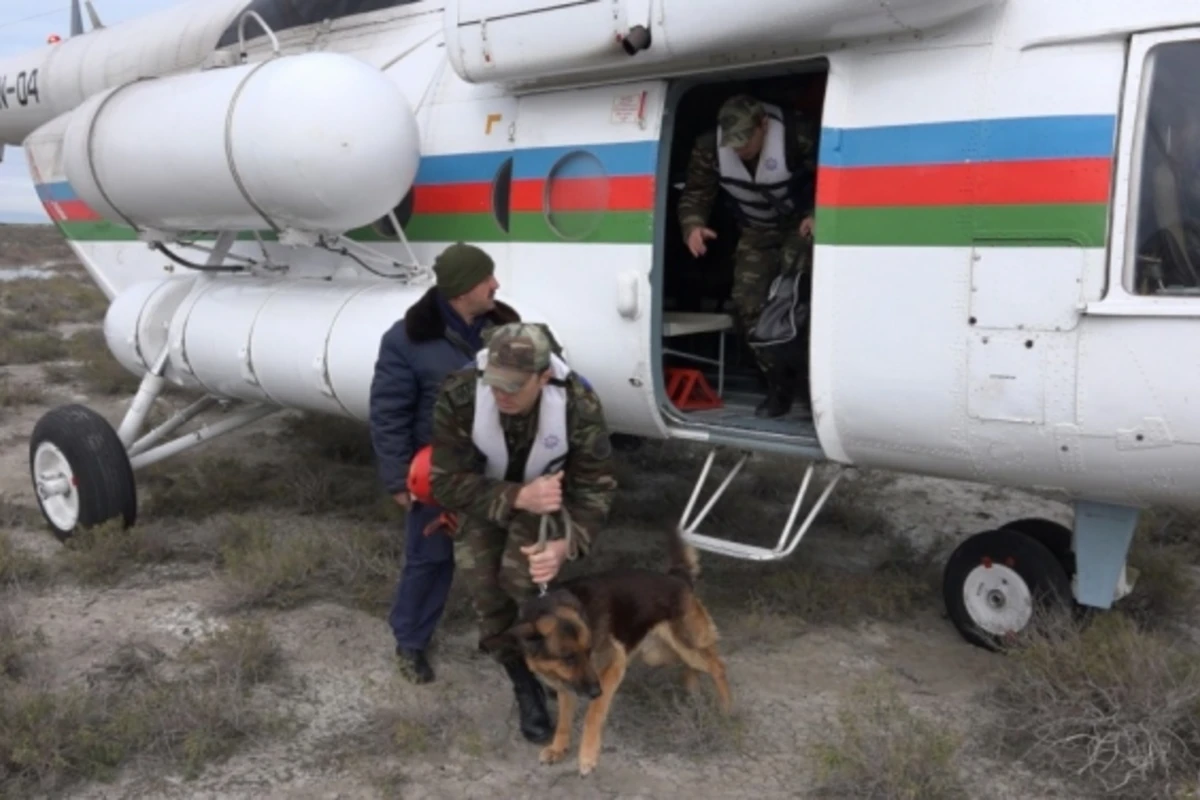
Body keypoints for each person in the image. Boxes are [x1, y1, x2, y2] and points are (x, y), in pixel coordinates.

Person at [427, 322, 617, 744]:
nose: (501, 395)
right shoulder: (461, 394)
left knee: (525, 579)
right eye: (494, 384)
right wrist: (516, 497)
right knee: (485, 588)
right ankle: (521, 677)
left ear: (543, 377)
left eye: (514, 386)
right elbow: (445, 480)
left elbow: (595, 489)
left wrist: (568, 543)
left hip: (550, 498)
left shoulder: (577, 404)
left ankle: (557, 658)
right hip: (486, 494)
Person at [368, 242, 521, 684]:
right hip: (438, 472)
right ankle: (410, 642)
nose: (496, 285)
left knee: (499, 558)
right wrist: (399, 480)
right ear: (459, 292)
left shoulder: (507, 326)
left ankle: (498, 637)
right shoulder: (406, 340)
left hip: (497, 469)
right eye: (485, 279)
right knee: (430, 558)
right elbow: (389, 413)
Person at [677, 92, 819, 418]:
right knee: (748, 304)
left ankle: (812, 385)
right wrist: (693, 225)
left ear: (764, 125)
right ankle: (776, 385)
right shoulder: (710, 147)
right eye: (733, 142)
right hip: (757, 230)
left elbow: (834, 173)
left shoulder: (799, 134)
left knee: (794, 300)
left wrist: (817, 212)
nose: (739, 148)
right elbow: (695, 193)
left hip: (801, 226)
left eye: (746, 139)